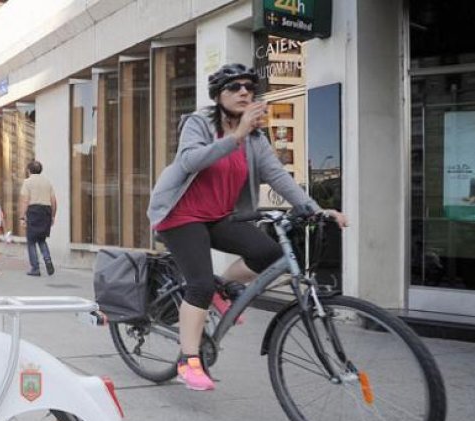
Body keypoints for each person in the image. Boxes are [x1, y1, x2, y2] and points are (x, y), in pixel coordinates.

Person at [147, 63, 347, 391]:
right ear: (218, 96)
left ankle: (221, 287)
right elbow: (190, 161)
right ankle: (188, 360)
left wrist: (315, 209)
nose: (244, 92)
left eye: (249, 88)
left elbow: (278, 176)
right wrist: (236, 135)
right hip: (180, 216)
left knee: (269, 253)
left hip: (217, 217)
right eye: (234, 87)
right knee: (199, 284)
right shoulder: (199, 123)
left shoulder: (254, 138)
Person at [19, 160, 57, 276]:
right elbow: (53, 201)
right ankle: (47, 259)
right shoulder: (47, 182)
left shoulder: (27, 182)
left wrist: (22, 217)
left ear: (29, 170)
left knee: (31, 241)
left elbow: (25, 200)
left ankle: (35, 268)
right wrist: (53, 216)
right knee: (41, 239)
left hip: (34, 211)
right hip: (46, 211)